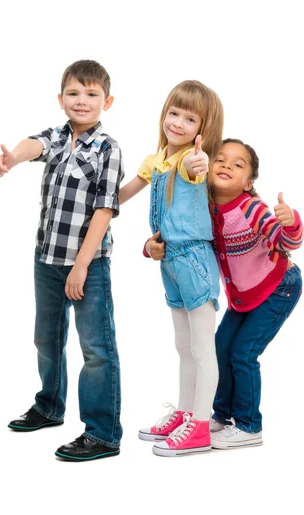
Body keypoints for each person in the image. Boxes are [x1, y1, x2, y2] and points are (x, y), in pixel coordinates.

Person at [0, 60, 124, 462]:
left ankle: (102, 433)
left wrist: (82, 267)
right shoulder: (57, 135)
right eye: (73, 93)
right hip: (46, 258)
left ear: (107, 101)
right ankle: (49, 406)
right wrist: (12, 158)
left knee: (96, 348)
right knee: (46, 339)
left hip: (87, 263)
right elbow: (35, 144)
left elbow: (104, 211)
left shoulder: (107, 149)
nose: (81, 101)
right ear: (61, 99)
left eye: (91, 94)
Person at [145, 138, 304, 450]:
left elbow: (285, 243)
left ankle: (248, 425)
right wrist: (151, 247)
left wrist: (291, 224)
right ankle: (221, 415)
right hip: (244, 295)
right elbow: (180, 234)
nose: (227, 166)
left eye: (238, 164)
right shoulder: (202, 206)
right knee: (220, 347)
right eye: (221, 159)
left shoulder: (251, 208)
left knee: (243, 353)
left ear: (248, 182)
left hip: (277, 287)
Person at [119, 80, 224, 457]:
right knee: (183, 346)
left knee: (201, 347)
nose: (177, 122)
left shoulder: (190, 161)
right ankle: (184, 413)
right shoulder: (158, 159)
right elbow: (124, 194)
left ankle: (200, 425)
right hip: (171, 263)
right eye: (173, 113)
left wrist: (200, 161)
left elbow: (199, 169)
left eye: (189, 118)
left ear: (203, 129)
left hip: (194, 261)